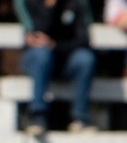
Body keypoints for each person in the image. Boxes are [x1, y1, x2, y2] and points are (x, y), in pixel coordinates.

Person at [14, 0, 97, 135]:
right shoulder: (27, 2)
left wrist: (55, 45)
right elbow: (35, 33)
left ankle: (80, 117)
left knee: (85, 58)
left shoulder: (77, 3)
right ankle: (37, 116)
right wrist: (50, 8)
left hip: (65, 59)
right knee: (42, 54)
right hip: (37, 60)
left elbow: (84, 39)